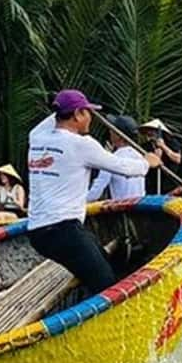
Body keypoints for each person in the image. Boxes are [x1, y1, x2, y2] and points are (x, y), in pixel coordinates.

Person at [28, 90, 161, 295]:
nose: (92, 117)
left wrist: (63, 102)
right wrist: (148, 163)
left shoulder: (37, 136)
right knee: (107, 285)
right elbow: (124, 168)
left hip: (38, 233)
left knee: (102, 262)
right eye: (88, 112)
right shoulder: (83, 145)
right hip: (63, 229)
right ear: (77, 114)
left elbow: (53, 117)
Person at [86, 115, 146, 202]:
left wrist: (78, 202)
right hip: (139, 206)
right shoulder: (140, 156)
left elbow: (96, 192)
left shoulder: (113, 159)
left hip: (122, 209)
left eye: (112, 130)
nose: (110, 132)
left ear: (118, 136)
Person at [139, 119, 182, 193]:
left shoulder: (171, 142)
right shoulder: (145, 146)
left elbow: (177, 159)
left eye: (152, 130)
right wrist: (155, 157)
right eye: (148, 131)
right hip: (152, 183)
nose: (149, 133)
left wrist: (163, 146)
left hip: (169, 181)